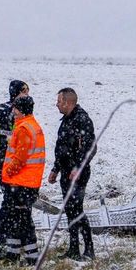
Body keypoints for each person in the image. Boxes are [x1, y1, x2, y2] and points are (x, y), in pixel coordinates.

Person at [48, 87, 97, 260]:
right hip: (66, 173)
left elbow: (90, 148)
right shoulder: (66, 120)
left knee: (77, 209)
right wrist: (56, 168)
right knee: (70, 210)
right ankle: (74, 248)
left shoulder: (82, 120)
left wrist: (78, 167)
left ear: (68, 102)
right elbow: (62, 148)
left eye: (59, 101)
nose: (56, 104)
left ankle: (89, 249)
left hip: (78, 174)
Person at [0, 95, 46, 265]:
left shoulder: (24, 128)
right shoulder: (31, 126)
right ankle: (14, 254)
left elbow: (20, 158)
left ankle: (31, 256)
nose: (13, 111)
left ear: (22, 110)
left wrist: (9, 173)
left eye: (15, 109)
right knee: (17, 218)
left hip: (20, 183)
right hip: (27, 182)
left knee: (21, 220)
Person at [0, 80, 29, 259]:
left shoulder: (24, 111)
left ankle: (18, 242)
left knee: (20, 203)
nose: (27, 95)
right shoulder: (3, 108)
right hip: (5, 160)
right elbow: (0, 117)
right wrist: (16, 109)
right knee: (8, 202)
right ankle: (2, 242)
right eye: (24, 92)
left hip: (20, 161)